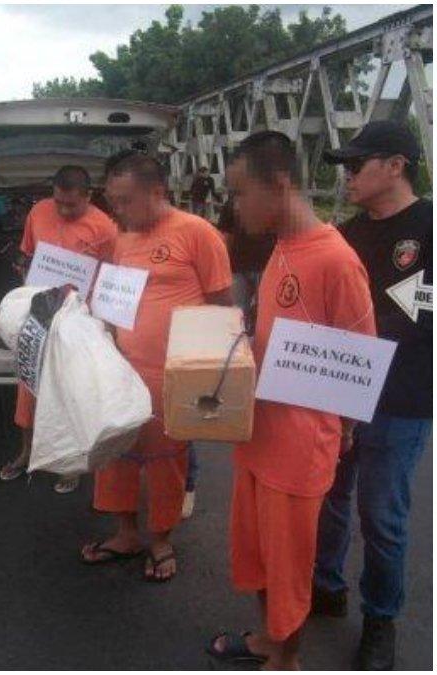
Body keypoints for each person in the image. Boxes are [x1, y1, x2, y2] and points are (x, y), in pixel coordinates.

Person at [207, 131, 375, 670]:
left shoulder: (337, 261)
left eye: (238, 193)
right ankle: (267, 640)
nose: (234, 207)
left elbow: (357, 365)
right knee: (256, 555)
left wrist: (341, 430)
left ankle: (287, 660)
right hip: (256, 434)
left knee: (288, 569)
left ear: (278, 186)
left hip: (298, 451)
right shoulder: (282, 243)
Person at [310, 120, 432, 670]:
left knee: (381, 515)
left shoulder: (429, 228)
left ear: (396, 166)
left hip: (400, 399)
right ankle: (325, 588)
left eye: (358, 165)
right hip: (341, 392)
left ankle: (380, 618)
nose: (348, 176)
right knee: (329, 499)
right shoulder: (346, 235)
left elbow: (422, 318)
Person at [81, 153, 232, 582]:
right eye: (114, 202)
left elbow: (223, 306)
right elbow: (113, 299)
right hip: (124, 372)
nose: (119, 211)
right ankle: (126, 533)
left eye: (126, 201)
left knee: (167, 461)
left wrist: (214, 379)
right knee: (118, 453)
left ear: (157, 193)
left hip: (174, 378)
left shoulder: (198, 233)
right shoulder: (123, 239)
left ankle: (161, 539)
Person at [0, 165, 118, 494]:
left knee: (69, 390)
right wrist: (24, 273)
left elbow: (111, 278)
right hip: (40, 312)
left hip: (77, 319)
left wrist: (104, 324)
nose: (63, 210)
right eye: (59, 202)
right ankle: (26, 453)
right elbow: (28, 253)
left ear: (88, 196)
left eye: (71, 205)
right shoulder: (38, 212)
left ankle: (71, 464)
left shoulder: (105, 228)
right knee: (28, 386)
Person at [180, 197, 277, 520]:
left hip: (266, 266)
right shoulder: (233, 202)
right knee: (231, 321)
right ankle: (229, 371)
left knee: (264, 325)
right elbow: (225, 237)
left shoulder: (277, 203)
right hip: (236, 266)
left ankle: (254, 376)